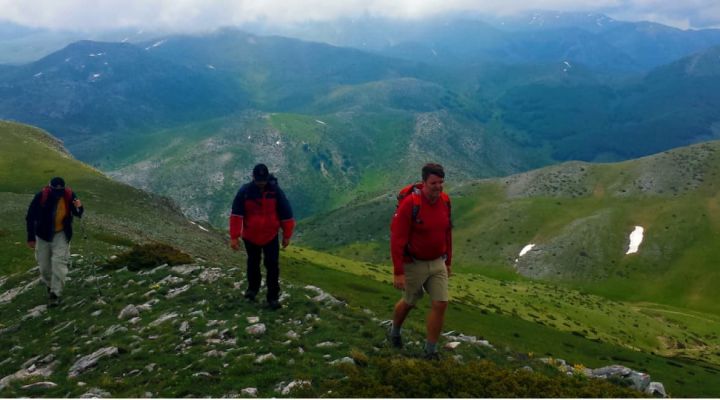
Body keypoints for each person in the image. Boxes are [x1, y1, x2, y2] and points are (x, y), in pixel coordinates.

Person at [389, 163, 452, 360]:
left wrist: (448, 261)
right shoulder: (411, 204)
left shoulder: (445, 201)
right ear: (424, 182)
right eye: (434, 183)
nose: (438, 186)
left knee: (441, 303)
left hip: (437, 262)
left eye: (441, 182)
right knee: (409, 302)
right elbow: (397, 238)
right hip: (414, 263)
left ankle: (430, 351)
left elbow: (447, 232)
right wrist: (398, 271)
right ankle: (394, 331)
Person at [229, 164, 295, 310]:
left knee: (272, 266)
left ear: (267, 178)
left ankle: (272, 297)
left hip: (270, 236)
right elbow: (236, 215)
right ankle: (252, 290)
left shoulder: (275, 192)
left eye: (263, 180)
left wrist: (287, 235)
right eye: (259, 180)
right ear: (253, 177)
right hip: (250, 236)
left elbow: (286, 214)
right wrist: (234, 237)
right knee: (253, 263)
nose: (261, 183)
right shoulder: (245, 192)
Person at [25, 177, 84, 307]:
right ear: (50, 188)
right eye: (56, 191)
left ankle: (55, 294)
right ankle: (50, 286)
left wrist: (80, 207)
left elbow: (77, 213)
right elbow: (30, 217)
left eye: (60, 191)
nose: (58, 194)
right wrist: (30, 237)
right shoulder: (41, 196)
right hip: (43, 236)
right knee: (44, 267)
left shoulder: (69, 195)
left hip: (62, 234)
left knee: (59, 264)